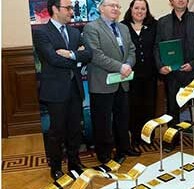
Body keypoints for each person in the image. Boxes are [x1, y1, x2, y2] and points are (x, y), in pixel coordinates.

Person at [32, 0, 92, 180]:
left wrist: (71, 54)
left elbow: (88, 54)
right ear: (55, 9)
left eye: (72, 8)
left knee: (75, 129)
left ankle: (74, 163)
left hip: (75, 89)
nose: (72, 11)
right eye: (68, 8)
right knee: (57, 131)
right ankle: (56, 166)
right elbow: (52, 59)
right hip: (55, 91)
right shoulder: (41, 32)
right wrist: (77, 56)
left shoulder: (75, 32)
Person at [83, 0, 140, 164]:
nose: (115, 8)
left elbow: (131, 50)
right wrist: (120, 67)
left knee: (122, 118)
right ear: (101, 8)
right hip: (102, 83)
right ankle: (104, 153)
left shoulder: (123, 28)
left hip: (122, 81)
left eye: (117, 6)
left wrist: (128, 64)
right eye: (111, 5)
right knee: (102, 121)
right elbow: (96, 55)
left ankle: (124, 147)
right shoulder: (92, 28)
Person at [154, 0, 194, 153]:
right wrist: (160, 66)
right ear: (171, 1)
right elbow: (157, 47)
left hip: (192, 72)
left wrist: (193, 63)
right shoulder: (162, 22)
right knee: (172, 109)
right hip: (172, 74)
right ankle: (172, 140)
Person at [121, 0, 158, 146]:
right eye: (136, 8)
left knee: (149, 107)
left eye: (143, 8)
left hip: (150, 75)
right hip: (130, 76)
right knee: (132, 107)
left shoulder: (154, 25)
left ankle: (148, 136)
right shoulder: (122, 26)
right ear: (131, 9)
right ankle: (135, 137)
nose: (140, 11)